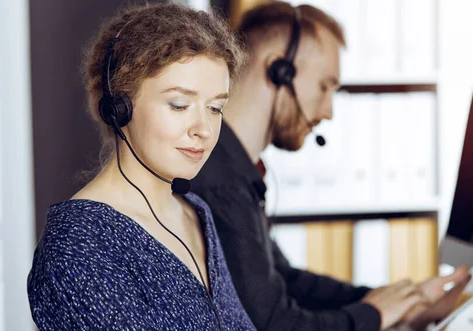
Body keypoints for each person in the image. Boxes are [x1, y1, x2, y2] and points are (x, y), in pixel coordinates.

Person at [191, 2, 472, 331]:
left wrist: (403, 302)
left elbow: (286, 280)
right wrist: (375, 315)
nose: (328, 111)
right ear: (280, 71)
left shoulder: (234, 168)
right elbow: (275, 323)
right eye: (325, 86)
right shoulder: (221, 183)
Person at [27, 3, 256, 330]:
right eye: (179, 105)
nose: (203, 128)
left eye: (216, 108)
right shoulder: (79, 243)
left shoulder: (196, 212)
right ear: (120, 107)